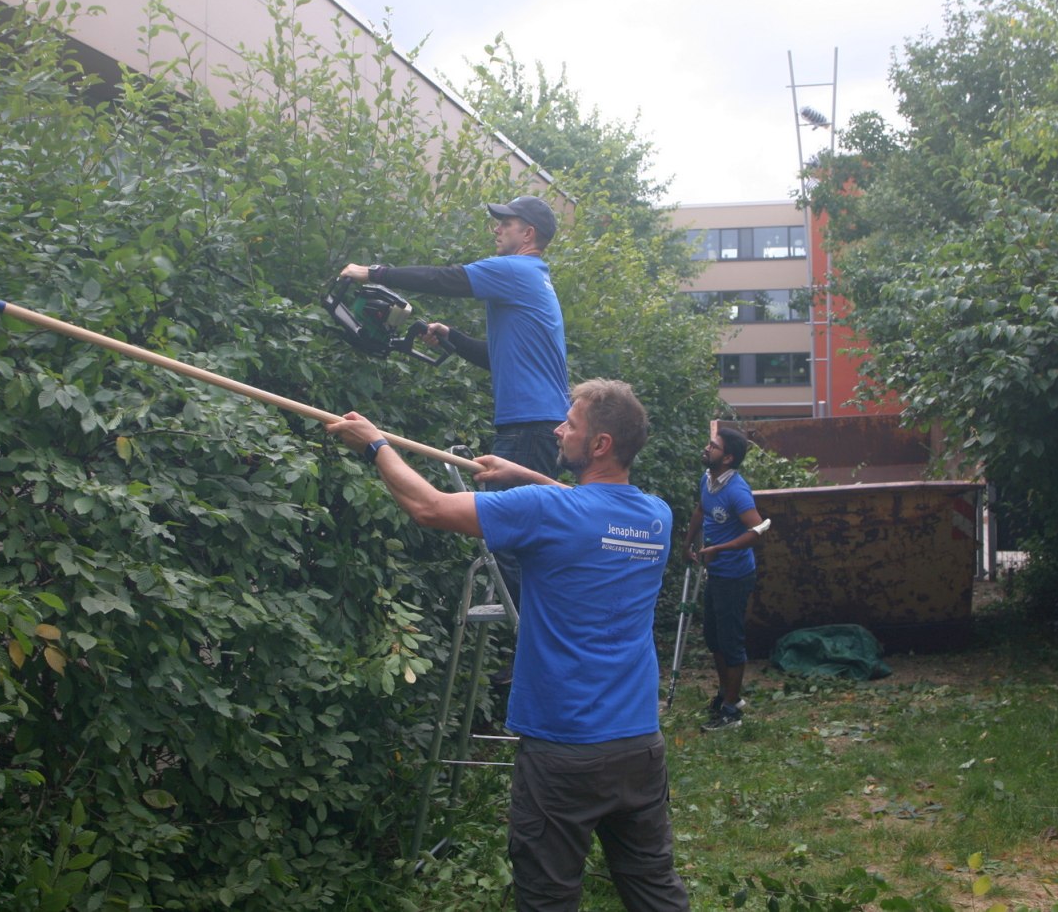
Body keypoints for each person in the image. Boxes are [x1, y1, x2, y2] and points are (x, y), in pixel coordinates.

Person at [326, 379, 689, 912]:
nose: (559, 429)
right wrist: (523, 475)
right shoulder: (655, 516)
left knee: (548, 897)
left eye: (571, 424)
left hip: (564, 751)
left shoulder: (545, 510)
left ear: (601, 445)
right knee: (653, 887)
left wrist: (376, 445)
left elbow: (429, 507)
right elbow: (591, 505)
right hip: (638, 743)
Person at [338, 195, 569, 615]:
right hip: (538, 423)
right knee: (523, 536)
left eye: (505, 222)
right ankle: (536, 639)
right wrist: (453, 337)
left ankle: (536, 645)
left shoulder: (517, 270)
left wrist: (372, 272)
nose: (496, 228)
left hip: (531, 425)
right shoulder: (534, 280)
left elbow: (448, 278)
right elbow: (496, 357)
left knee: (511, 538)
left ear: (528, 234)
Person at [682, 426, 767, 732]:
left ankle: (732, 711)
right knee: (713, 637)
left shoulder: (736, 490)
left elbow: (757, 531)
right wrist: (688, 541)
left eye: (713, 447)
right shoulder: (709, 479)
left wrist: (720, 548)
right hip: (715, 573)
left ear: (728, 458)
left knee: (731, 642)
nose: (707, 448)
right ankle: (726, 692)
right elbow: (702, 508)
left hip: (734, 575)